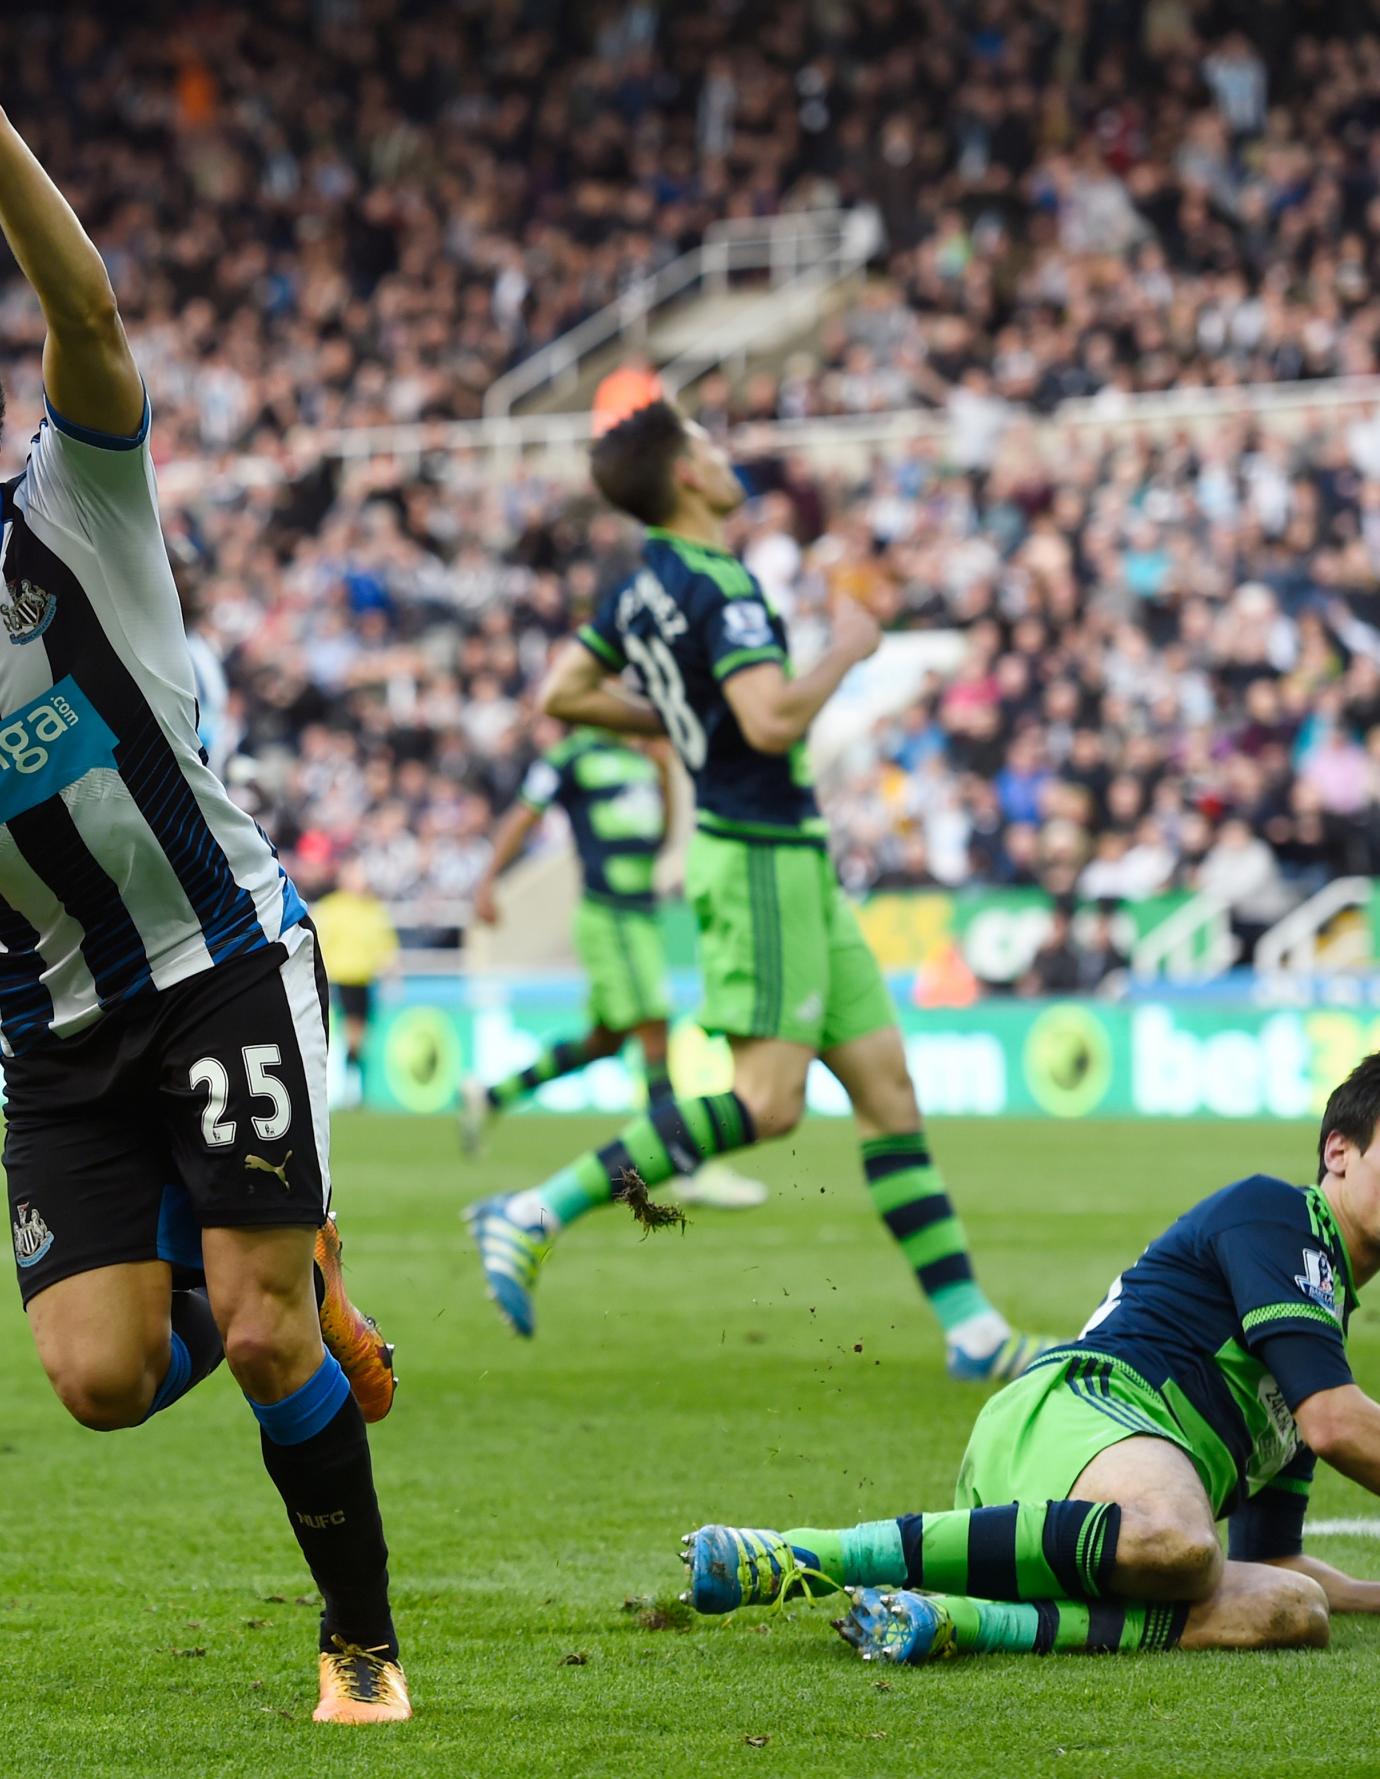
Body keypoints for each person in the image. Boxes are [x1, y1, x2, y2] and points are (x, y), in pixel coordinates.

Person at [0, 0, 407, 1725]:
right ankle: (275, 1258)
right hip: (54, 1021)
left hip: (221, 962)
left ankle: (360, 1646)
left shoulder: (81, 520)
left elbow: (93, 326)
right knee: (102, 1381)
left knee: (268, 1337)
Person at [465, 399, 1055, 1380]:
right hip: (757, 855)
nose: (722, 456)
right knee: (767, 1103)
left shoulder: (641, 583)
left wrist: (675, 715)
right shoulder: (719, 584)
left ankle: (972, 1330)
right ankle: (534, 1210)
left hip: (785, 856)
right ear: (687, 476)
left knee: (885, 1089)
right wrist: (847, 649)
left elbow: (562, 691)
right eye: (705, 444)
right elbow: (774, 719)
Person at [682, 1054, 1380, 1662]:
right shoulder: (1278, 1215)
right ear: (1338, 1151)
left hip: (1108, 1509)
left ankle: (963, 1620)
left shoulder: (1318, 1324)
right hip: (1079, 1410)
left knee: (1294, 1607)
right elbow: (1337, 1423)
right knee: (1180, 1538)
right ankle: (809, 1554)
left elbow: (1272, 1554)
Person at [457, 723, 766, 1211]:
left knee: (605, 1042)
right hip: (609, 915)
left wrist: (664, 772)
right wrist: (488, 881)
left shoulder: (644, 757)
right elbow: (524, 813)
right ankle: (688, 1165)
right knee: (655, 1032)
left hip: (642, 916)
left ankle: (492, 1095)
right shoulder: (573, 756)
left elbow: (660, 839)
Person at [312, 860, 397, 1106]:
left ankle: (355, 1088)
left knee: (362, 1037)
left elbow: (386, 944)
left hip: (367, 980)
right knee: (354, 1034)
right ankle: (352, 1090)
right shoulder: (332, 908)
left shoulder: (373, 910)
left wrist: (391, 970)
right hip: (343, 978)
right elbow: (318, 943)